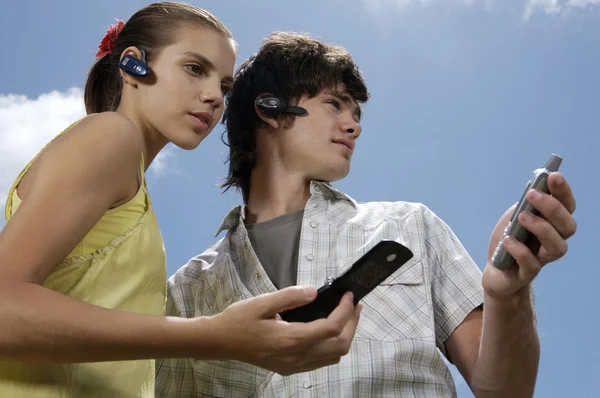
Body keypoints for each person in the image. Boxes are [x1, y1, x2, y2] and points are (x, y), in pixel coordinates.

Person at [156, 32, 578, 397]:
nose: (354, 125)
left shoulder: (411, 225)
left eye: (357, 113)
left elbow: (503, 390)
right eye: (335, 105)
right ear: (269, 108)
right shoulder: (188, 294)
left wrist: (508, 294)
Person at [0, 5, 362, 397]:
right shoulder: (110, 137)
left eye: (224, 87)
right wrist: (212, 335)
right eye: (194, 68)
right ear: (134, 65)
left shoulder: (128, 178)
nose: (212, 97)